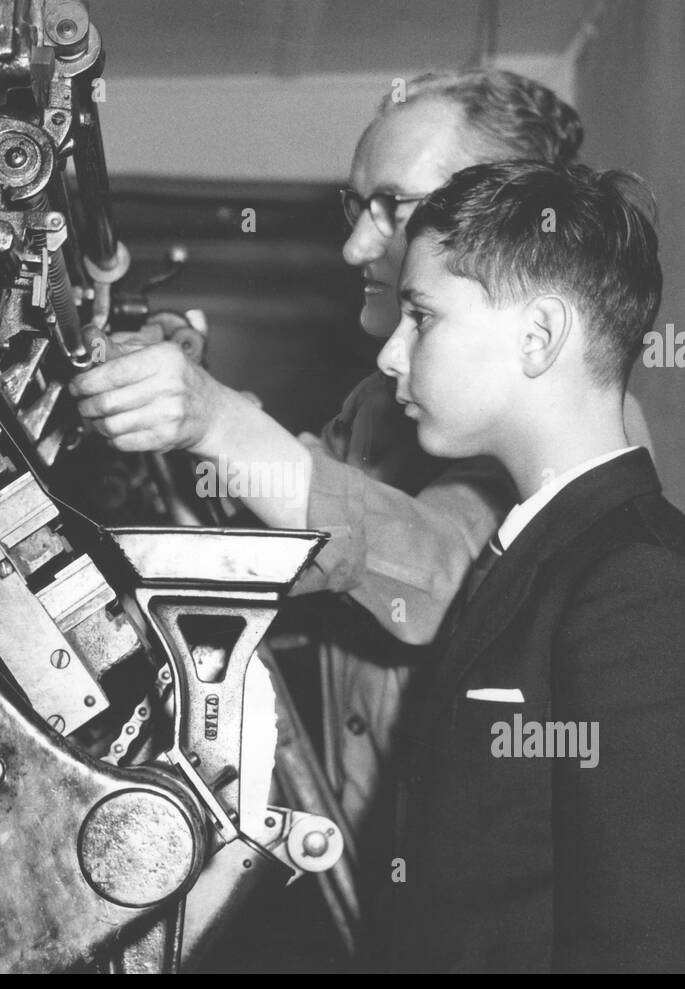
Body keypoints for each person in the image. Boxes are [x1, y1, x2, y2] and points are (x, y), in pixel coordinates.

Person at [69, 71, 650, 847]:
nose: (354, 246)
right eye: (356, 205)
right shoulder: (382, 405)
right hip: (379, 850)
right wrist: (195, 406)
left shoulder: (574, 433)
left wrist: (217, 420)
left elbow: (439, 577)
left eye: (394, 207)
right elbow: (301, 532)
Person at [377, 160, 685, 972]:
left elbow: (665, 948)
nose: (389, 353)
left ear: (539, 336)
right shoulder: (540, 548)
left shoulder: (639, 587)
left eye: (420, 318)